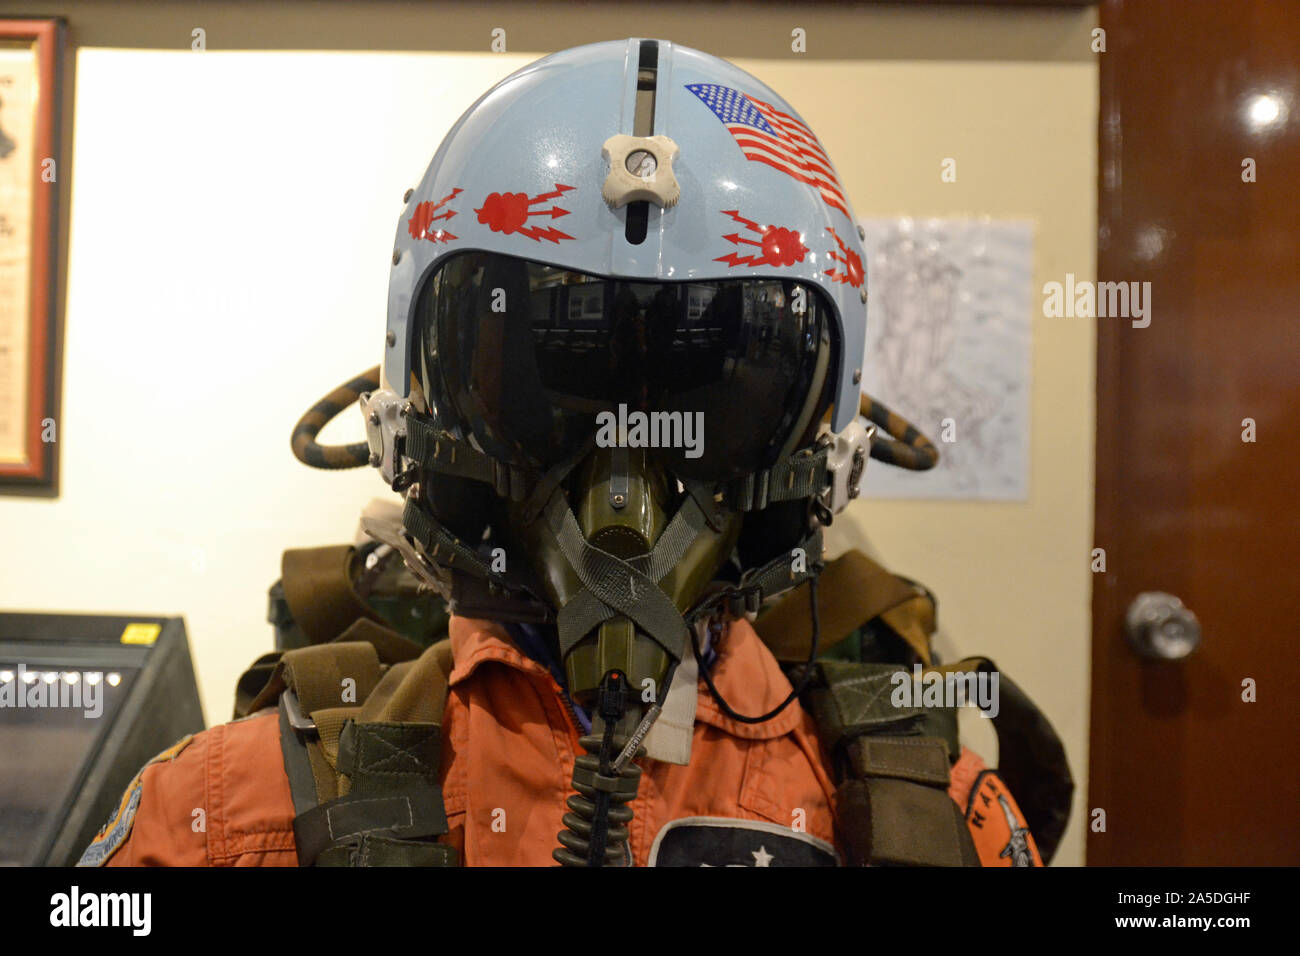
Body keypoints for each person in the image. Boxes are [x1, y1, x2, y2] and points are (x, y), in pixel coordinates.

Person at [79, 38, 1065, 868]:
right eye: (557, 380)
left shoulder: (929, 821)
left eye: (710, 383)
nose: (626, 478)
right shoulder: (225, 814)